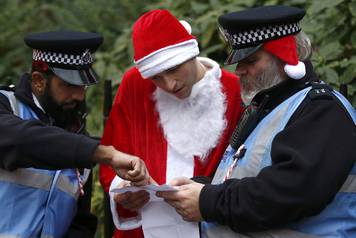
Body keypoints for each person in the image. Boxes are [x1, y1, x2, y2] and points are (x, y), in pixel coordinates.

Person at [157, 5, 356, 237]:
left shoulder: (321, 110)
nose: (240, 70)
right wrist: (188, 189)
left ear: (286, 56)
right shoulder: (270, 106)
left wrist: (207, 200)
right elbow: (246, 178)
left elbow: (288, 193)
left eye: (250, 60)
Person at [99, 9, 244, 238]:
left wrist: (209, 198)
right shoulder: (136, 85)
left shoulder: (235, 91)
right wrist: (123, 190)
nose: (169, 84)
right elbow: (112, 152)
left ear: (190, 54)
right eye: (156, 77)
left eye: (173, 69)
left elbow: (248, 168)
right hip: (144, 230)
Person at [0, 30, 150, 238]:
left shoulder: (76, 136)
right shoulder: (6, 106)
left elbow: (79, 221)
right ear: (38, 81)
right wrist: (104, 153)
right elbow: (21, 140)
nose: (79, 96)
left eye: (83, 86)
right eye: (69, 85)